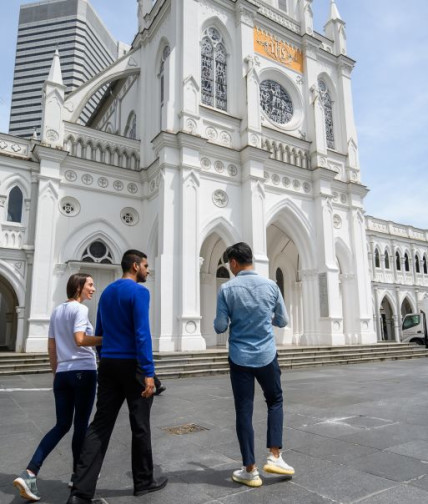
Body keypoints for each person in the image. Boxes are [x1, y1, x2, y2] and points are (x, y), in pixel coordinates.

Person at [66, 250, 167, 504]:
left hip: (109, 363)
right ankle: (143, 482)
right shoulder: (140, 292)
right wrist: (149, 372)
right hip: (132, 364)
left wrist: (103, 358)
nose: (147, 270)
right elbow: (142, 333)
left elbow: (99, 331)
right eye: (145, 265)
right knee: (140, 424)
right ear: (135, 266)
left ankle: (80, 491)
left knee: (100, 424)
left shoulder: (107, 292)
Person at [13, 274, 102, 501]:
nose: (93, 288)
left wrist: (57, 373)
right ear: (79, 287)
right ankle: (78, 476)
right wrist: (104, 338)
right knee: (81, 425)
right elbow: (80, 339)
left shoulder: (57, 311)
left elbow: (51, 346)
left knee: (61, 425)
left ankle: (31, 471)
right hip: (83, 371)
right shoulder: (80, 310)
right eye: (90, 285)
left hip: (63, 373)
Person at [214, 242, 294, 488]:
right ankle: (275, 455)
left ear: (235, 263)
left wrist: (231, 319)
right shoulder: (271, 286)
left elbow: (219, 326)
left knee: (244, 411)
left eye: (230, 263)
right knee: (275, 401)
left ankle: (250, 469)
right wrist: (265, 317)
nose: (230, 267)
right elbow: (282, 320)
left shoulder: (226, 289)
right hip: (267, 355)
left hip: (239, 357)